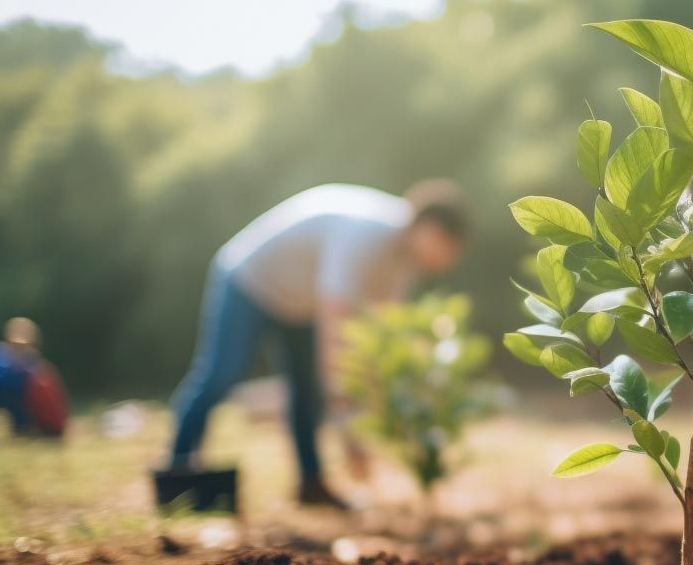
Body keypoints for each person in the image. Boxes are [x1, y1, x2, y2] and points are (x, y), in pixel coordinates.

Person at [168, 181, 469, 509]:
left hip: (300, 302)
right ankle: (177, 473)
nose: (447, 259)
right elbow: (335, 327)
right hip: (250, 282)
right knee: (220, 375)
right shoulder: (366, 234)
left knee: (306, 392)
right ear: (428, 228)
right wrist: (344, 417)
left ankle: (310, 485)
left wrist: (370, 407)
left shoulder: (404, 264)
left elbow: (375, 337)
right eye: (447, 247)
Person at [0, 317, 69, 438]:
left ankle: (23, 428)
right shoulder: (1, 356)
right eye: (15, 344)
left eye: (22, 345)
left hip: (20, 400)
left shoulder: (36, 365)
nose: (19, 348)